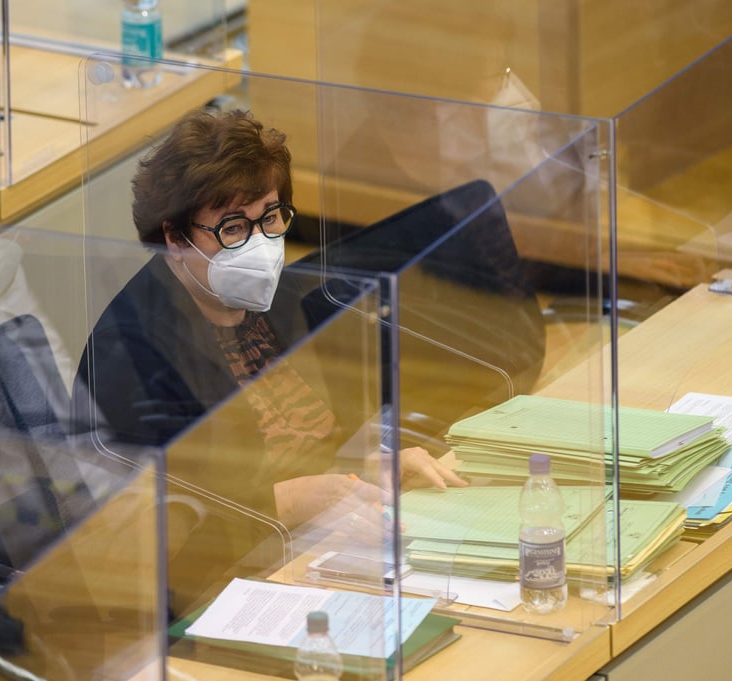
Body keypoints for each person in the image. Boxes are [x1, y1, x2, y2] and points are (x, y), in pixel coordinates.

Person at [71, 107, 465, 613]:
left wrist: (380, 459)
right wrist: (299, 502)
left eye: (271, 217)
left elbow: (323, 434)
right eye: (233, 227)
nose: (261, 245)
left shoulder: (283, 301)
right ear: (173, 237)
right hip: (223, 592)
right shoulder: (131, 352)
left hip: (324, 549)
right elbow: (162, 541)